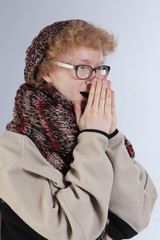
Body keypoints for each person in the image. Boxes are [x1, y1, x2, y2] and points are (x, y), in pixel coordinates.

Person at [0, 19, 157, 240]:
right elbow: (76, 233)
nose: (94, 81)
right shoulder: (14, 150)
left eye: (100, 69)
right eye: (82, 68)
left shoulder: (99, 130)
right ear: (46, 71)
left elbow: (134, 220)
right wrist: (92, 138)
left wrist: (109, 136)